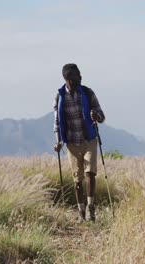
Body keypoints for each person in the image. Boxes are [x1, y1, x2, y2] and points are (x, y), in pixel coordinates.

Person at [53, 63, 105, 223]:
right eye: (77, 76)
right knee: (77, 180)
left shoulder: (88, 93)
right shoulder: (59, 97)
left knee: (90, 174)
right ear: (68, 79)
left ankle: (91, 208)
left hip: (89, 140)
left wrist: (96, 116)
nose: (80, 78)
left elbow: (102, 116)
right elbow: (57, 122)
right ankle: (81, 212)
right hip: (72, 144)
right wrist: (58, 142)